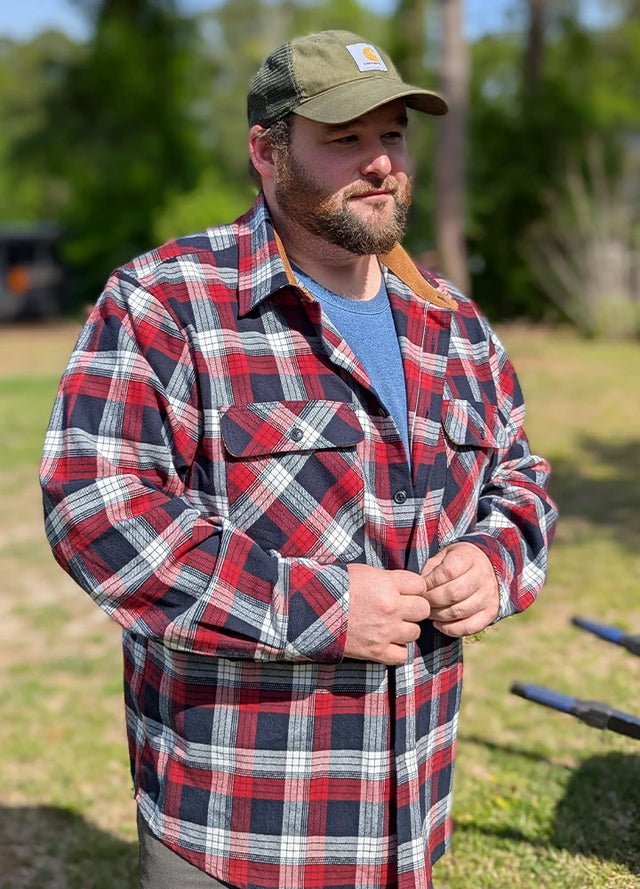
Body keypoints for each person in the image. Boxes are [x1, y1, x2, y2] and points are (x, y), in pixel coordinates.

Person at [40, 29, 557, 889]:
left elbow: (520, 480)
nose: (380, 162)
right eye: (344, 139)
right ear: (266, 153)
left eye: (391, 134)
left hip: (409, 819)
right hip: (238, 832)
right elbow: (96, 507)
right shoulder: (168, 302)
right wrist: (314, 608)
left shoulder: (454, 324)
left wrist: (494, 563)